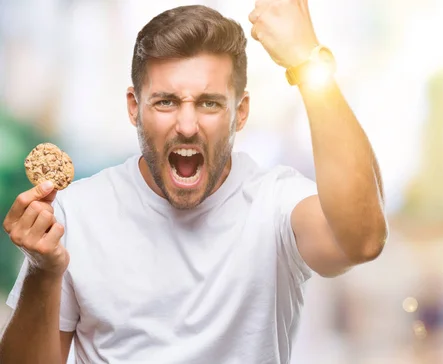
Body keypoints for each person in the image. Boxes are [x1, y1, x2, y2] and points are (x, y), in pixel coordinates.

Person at [0, 2, 387, 363]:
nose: (187, 126)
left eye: (209, 103)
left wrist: (307, 64)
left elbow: (363, 240)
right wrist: (43, 271)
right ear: (134, 107)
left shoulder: (275, 204)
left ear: (241, 112)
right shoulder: (78, 213)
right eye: (166, 101)